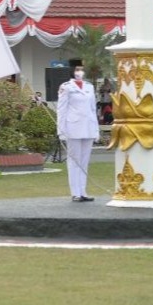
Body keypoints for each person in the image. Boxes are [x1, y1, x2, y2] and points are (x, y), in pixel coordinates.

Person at [56, 59, 98, 202]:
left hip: (88, 127)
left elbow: (93, 109)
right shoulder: (66, 87)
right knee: (75, 160)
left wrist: (96, 130)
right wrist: (60, 130)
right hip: (73, 127)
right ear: (72, 71)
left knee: (85, 161)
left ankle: (83, 191)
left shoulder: (89, 86)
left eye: (81, 69)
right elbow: (61, 110)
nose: (79, 72)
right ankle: (75, 192)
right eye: (76, 69)